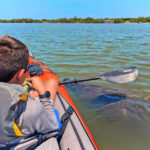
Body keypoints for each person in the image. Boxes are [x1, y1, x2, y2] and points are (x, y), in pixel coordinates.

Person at [0, 35, 59, 149]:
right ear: (21, 74)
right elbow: (52, 127)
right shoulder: (33, 109)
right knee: (52, 82)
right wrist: (42, 95)